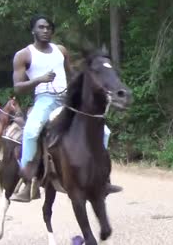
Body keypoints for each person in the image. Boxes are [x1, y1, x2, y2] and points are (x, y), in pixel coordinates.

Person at [11, 14, 117, 202]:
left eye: (48, 28)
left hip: (67, 99)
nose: (45, 31)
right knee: (31, 131)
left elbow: (72, 73)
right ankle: (28, 181)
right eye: (41, 27)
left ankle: (100, 176)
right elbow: (17, 87)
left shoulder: (60, 50)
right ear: (33, 30)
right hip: (45, 99)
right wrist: (38, 80)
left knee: (105, 131)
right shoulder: (24, 55)